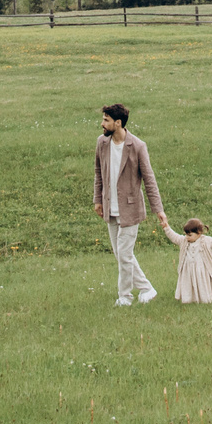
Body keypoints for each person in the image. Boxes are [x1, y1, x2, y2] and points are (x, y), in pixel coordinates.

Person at [93, 103, 167, 306]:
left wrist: (158, 209)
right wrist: (98, 200)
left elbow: (149, 179)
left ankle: (125, 296)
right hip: (110, 208)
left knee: (124, 255)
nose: (102, 124)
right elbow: (98, 173)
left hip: (131, 209)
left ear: (118, 123)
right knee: (121, 255)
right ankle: (147, 288)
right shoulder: (102, 143)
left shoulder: (138, 146)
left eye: (106, 120)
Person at [162, 217, 212, 304]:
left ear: (199, 233)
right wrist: (166, 227)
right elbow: (174, 237)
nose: (187, 237)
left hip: (201, 269)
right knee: (188, 284)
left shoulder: (206, 241)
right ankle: (188, 300)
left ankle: (204, 300)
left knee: (202, 284)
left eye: (189, 235)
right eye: (186, 234)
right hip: (188, 269)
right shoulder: (183, 241)